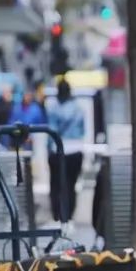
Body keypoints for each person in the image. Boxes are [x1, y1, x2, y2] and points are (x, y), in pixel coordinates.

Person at [46, 80, 85, 224]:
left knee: (56, 184)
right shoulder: (78, 108)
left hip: (58, 150)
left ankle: (57, 215)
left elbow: (52, 131)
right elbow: (82, 129)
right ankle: (69, 216)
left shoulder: (53, 108)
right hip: (75, 149)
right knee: (71, 185)